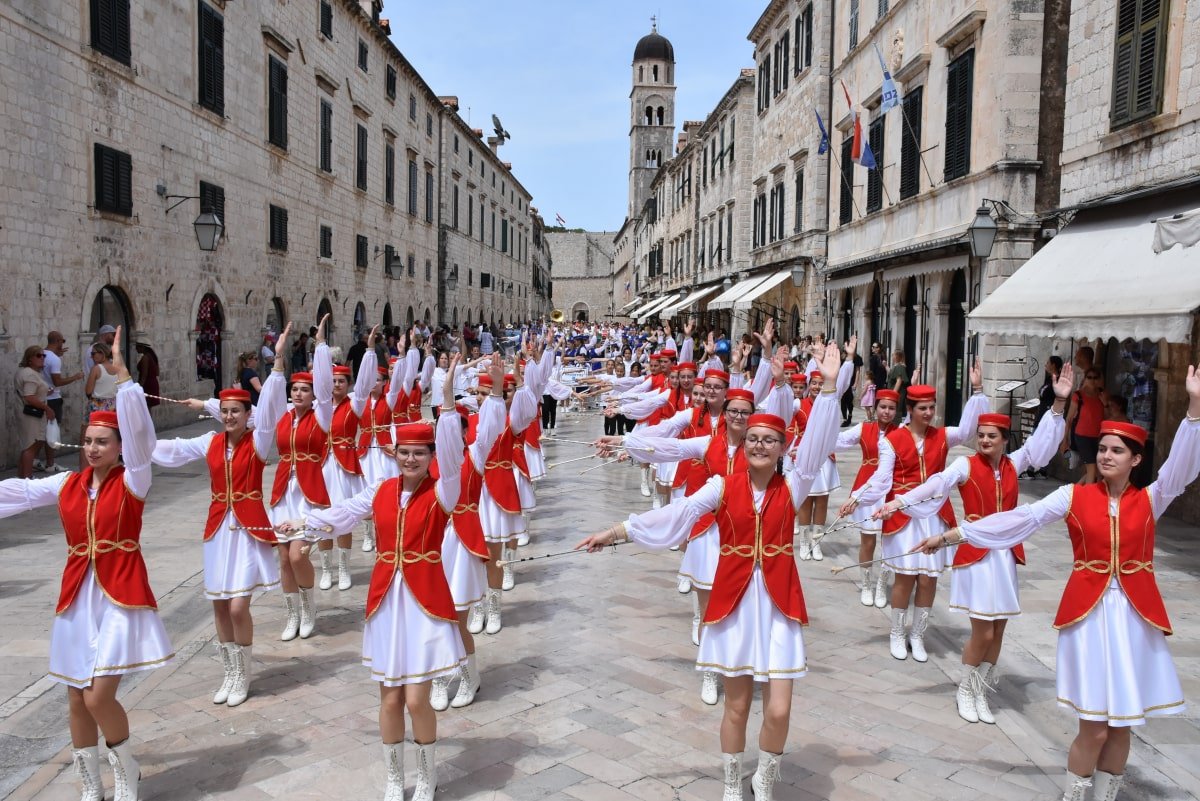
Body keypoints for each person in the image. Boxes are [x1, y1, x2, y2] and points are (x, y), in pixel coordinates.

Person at [916, 364, 1200, 801]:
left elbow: (1180, 470)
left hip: (1134, 620)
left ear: (1136, 459)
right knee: (1093, 726)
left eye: (1116, 451)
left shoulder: (1152, 498)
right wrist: (956, 534)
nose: (1105, 456)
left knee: (1121, 725)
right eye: (1102, 448)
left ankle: (1104, 795)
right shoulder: (1072, 496)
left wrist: (1195, 409)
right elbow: (1020, 519)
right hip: (1088, 617)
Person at [578, 343, 847, 801]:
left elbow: (820, 440)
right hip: (736, 602)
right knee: (739, 705)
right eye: (754, 438)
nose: (760, 445)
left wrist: (827, 390)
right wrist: (619, 531)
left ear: (783, 448)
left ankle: (764, 775)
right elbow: (676, 514)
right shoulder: (723, 485)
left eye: (770, 439)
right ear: (745, 445)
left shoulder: (795, 483)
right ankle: (730, 784)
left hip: (779, 604)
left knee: (779, 709)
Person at [279, 366, 475, 801]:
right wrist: (305, 523)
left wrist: (445, 403)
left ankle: (426, 775)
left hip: (425, 604)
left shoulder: (444, 492)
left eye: (419, 454)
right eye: (404, 452)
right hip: (387, 602)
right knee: (389, 700)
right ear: (395, 453)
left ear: (430, 457)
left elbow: (453, 453)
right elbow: (344, 512)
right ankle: (392, 776)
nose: (410, 459)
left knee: (418, 700)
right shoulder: (380, 491)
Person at [0, 326, 167, 801]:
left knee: (98, 695)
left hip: (120, 594)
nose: (93, 448)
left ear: (118, 448)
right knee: (75, 694)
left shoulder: (134, 481)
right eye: (88, 441)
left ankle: (126, 768)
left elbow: (140, 436)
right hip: (77, 596)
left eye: (103, 442)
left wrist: (123, 379)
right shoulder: (67, 486)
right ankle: (90, 783)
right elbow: (20, 492)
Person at [881, 365, 1071, 725]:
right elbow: (935, 485)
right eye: (981, 435)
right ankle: (965, 688)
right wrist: (898, 502)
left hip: (1005, 555)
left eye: (991, 437)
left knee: (999, 628)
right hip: (976, 554)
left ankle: (982, 688)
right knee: (982, 629)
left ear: (1004, 439)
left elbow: (1041, 444)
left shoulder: (1015, 464)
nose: (984, 441)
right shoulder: (965, 466)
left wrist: (1059, 403)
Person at [153, 325, 292, 709]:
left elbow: (271, 413)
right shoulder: (210, 443)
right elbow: (170, 450)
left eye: (237, 411)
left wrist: (278, 363)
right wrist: (130, 444)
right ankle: (228, 671)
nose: (230, 417)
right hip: (218, 530)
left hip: (248, 530)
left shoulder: (258, 441)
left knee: (237, 606)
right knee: (218, 604)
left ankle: (242, 672)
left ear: (248, 414)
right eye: (225, 411)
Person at [845, 360, 987, 662]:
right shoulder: (892, 440)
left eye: (931, 407)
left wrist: (977, 392)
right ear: (910, 410)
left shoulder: (942, 436)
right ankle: (897, 633)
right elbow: (882, 478)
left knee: (929, 578)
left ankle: (918, 635)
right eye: (922, 408)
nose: (928, 413)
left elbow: (968, 430)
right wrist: (858, 498)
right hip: (903, 517)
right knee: (906, 577)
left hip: (935, 515)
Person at [269, 315, 334, 640]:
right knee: (283, 558)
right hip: (283, 492)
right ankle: (292, 615)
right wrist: (278, 357)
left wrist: (320, 347)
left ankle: (309, 607)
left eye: (304, 390)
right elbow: (252, 411)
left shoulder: (322, 416)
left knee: (298, 554)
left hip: (310, 493)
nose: (298, 394)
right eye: (294, 389)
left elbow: (325, 389)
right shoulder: (282, 416)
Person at [832, 388, 901, 607]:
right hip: (866, 484)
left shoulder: (901, 432)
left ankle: (883, 582)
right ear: (875, 407)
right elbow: (838, 441)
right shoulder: (864, 428)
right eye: (883, 407)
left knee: (891, 539)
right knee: (868, 537)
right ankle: (867, 583)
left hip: (891, 488)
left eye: (891, 408)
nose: (887, 412)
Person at [39, 331, 84, 473]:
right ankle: (50, 464)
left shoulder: (40, 354)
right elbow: (57, 381)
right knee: (51, 432)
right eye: (62, 341)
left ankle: (38, 460)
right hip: (52, 399)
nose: (62, 344)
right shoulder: (54, 359)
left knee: (41, 431)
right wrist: (75, 377)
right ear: (58, 341)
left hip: (41, 397)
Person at [15, 346, 54, 479]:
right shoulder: (30, 374)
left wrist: (45, 392)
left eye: (44, 356)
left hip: (30, 414)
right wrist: (47, 408)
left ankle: (22, 478)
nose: (42, 358)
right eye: (38, 355)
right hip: (31, 415)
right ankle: (27, 479)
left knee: (28, 446)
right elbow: (29, 396)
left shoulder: (30, 372)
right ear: (30, 358)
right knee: (31, 446)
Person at [82, 343, 120, 470]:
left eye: (93, 354)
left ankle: (85, 470)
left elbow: (88, 390)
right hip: (112, 406)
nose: (92, 357)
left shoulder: (96, 369)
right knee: (109, 439)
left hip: (97, 405)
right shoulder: (117, 368)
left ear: (101, 354)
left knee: (86, 440)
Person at [1067, 369, 1105, 485]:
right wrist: (1064, 440)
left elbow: (1108, 415)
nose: (1092, 380)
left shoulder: (1102, 394)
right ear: (1085, 378)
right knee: (1092, 467)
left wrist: (1105, 404)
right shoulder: (1078, 395)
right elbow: (1069, 418)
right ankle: (1088, 497)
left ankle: (1076, 492)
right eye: (1089, 377)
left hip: (1099, 436)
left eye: (1095, 377)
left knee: (1098, 470)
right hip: (1082, 436)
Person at [134, 344, 160, 410]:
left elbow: (144, 375)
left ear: (142, 347)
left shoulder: (145, 358)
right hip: (153, 383)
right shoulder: (152, 356)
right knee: (148, 408)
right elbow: (157, 373)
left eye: (137, 347)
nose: (136, 349)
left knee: (145, 408)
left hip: (147, 385)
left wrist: (139, 388)